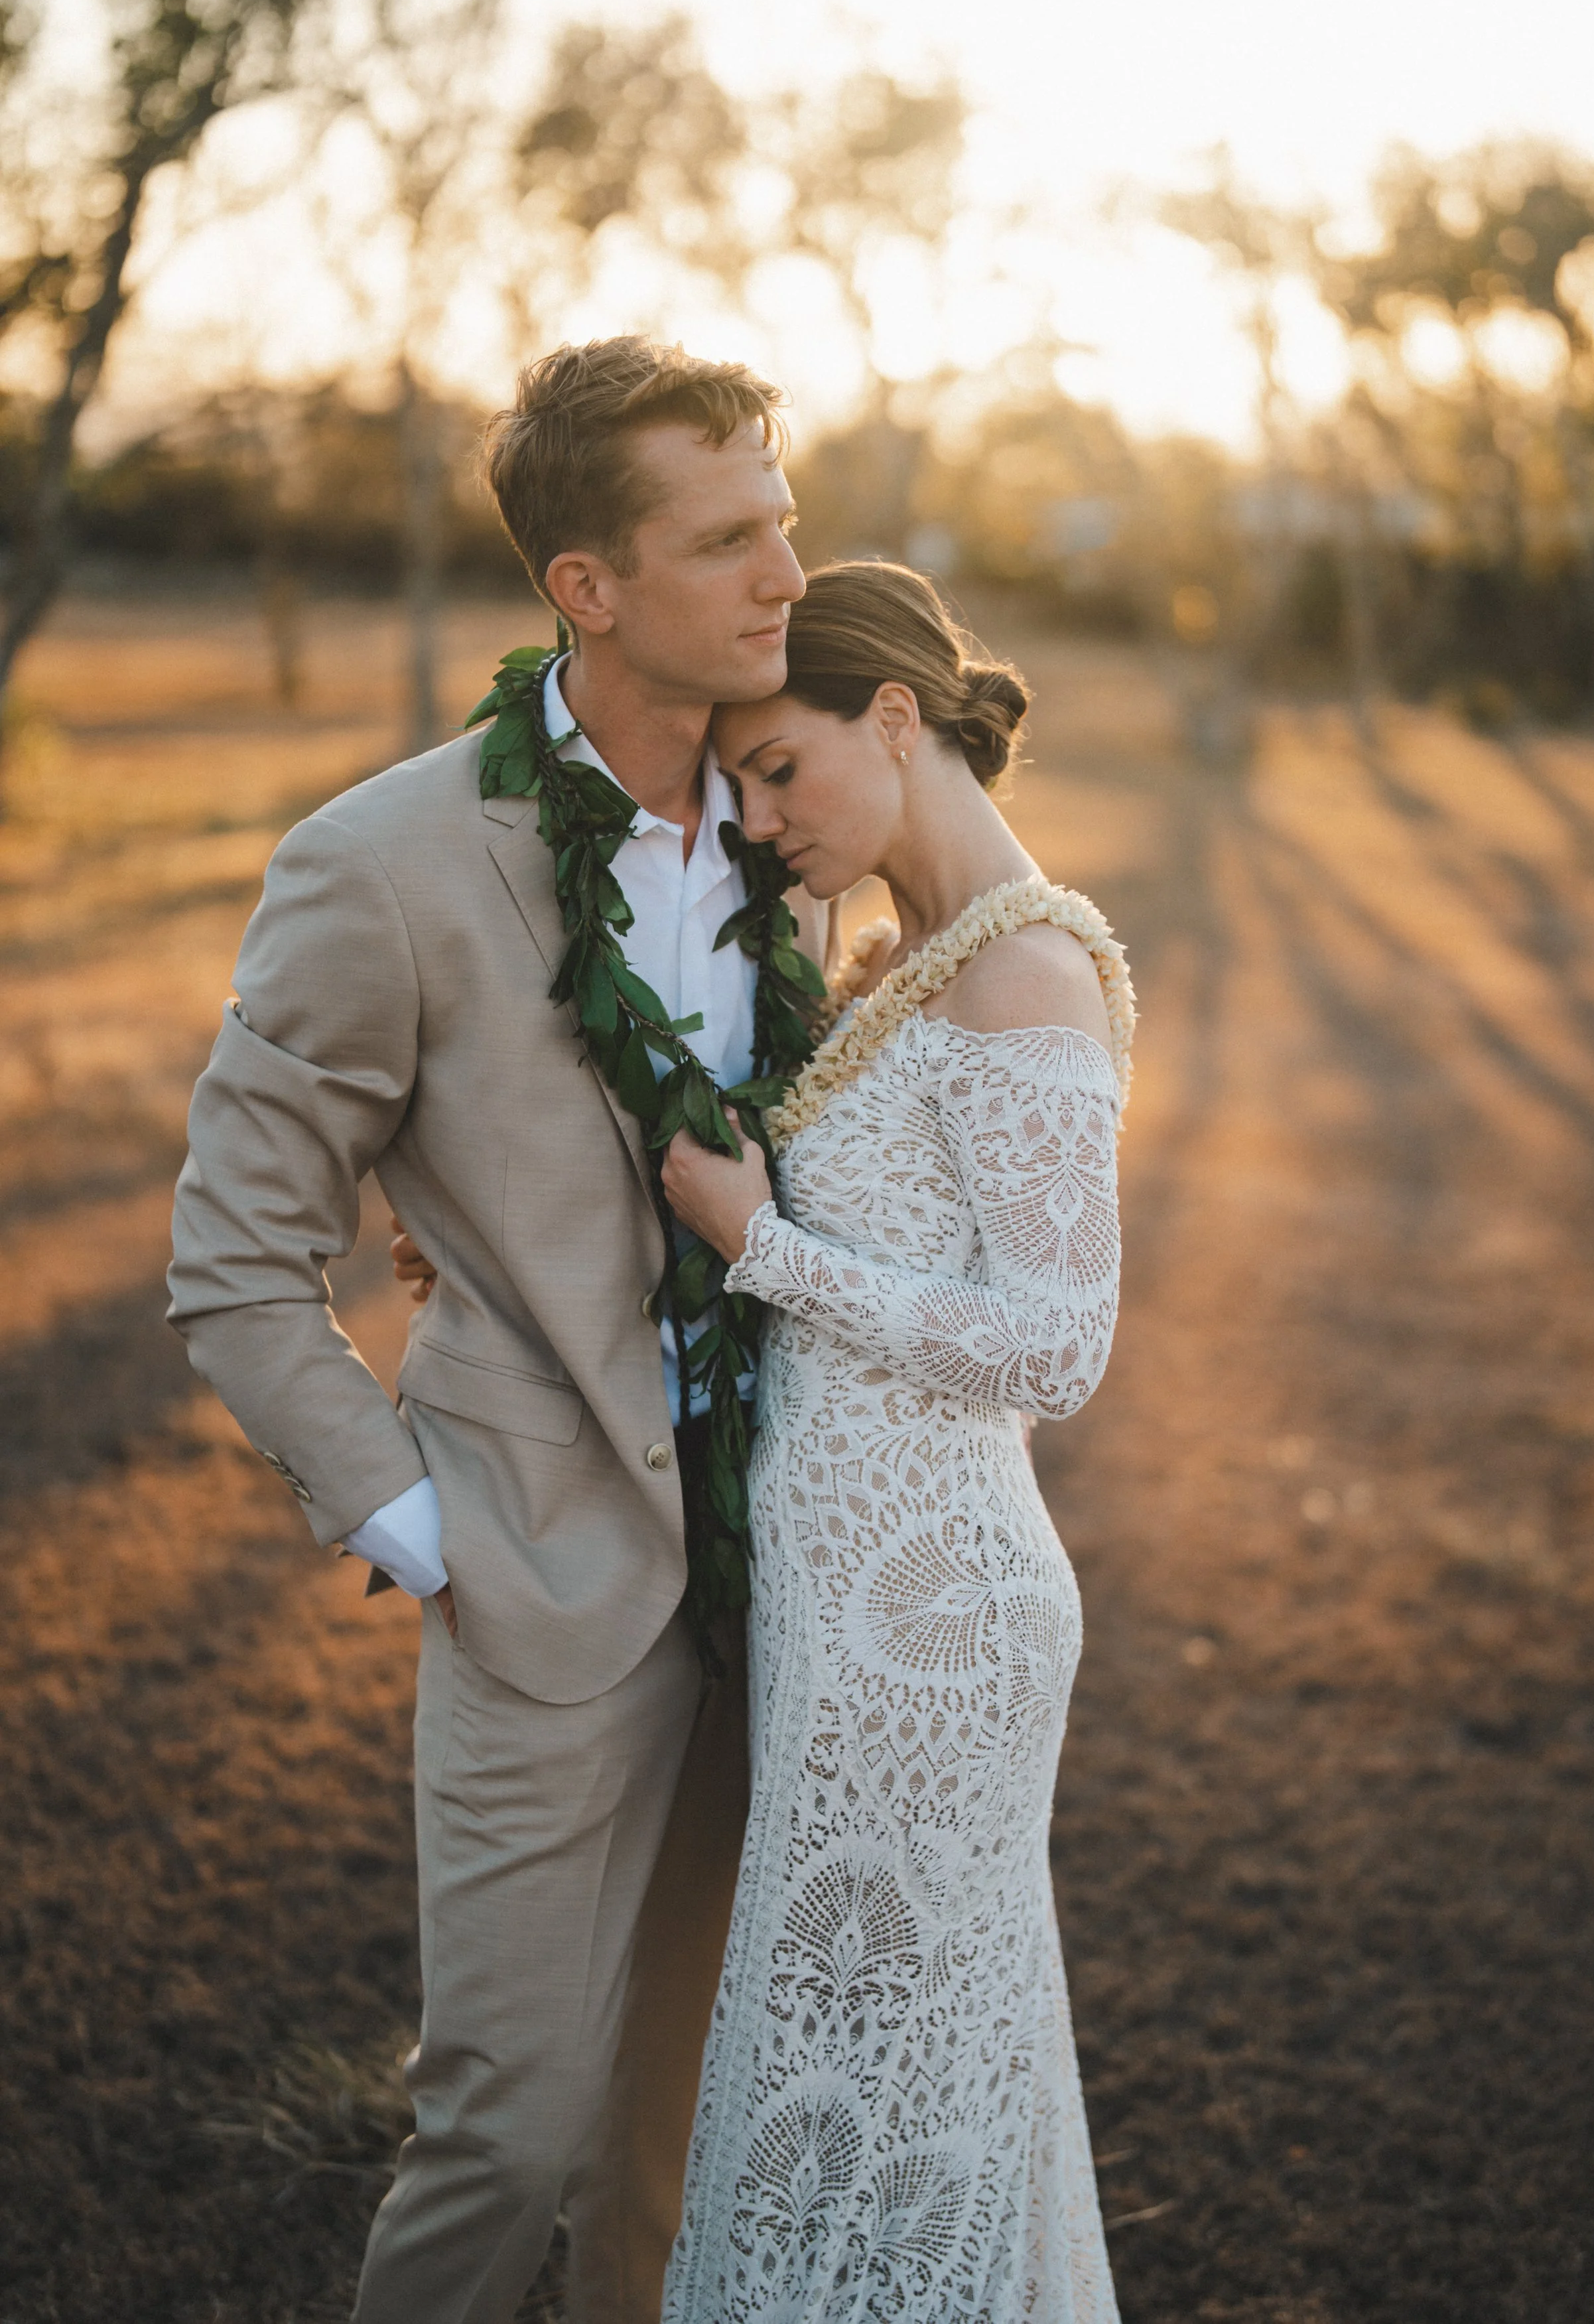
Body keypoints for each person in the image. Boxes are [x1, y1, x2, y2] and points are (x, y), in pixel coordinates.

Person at [166, 336, 834, 2324]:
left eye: (784, 517)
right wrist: (421, 1521)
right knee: (506, 2132)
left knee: (667, 2144)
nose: (784, 572)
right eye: (727, 539)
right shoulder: (380, 866)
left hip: (774, 1565)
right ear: (586, 588)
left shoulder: (793, 827)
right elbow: (231, 1251)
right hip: (532, 1562)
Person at [653, 559, 1134, 2320]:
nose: (761, 816)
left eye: (781, 767)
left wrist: (760, 1246)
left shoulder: (1020, 971)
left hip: (933, 1618)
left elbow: (1058, 1345)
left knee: (867, 2086)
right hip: (852, 1606)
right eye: (740, 787)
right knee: (875, 2079)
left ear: (894, 714)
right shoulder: (913, 960)